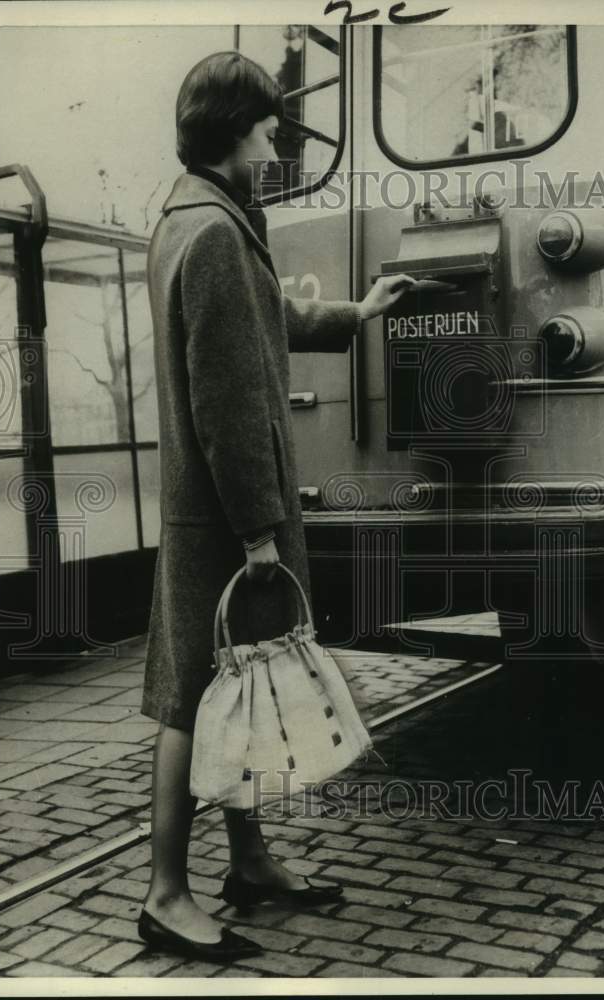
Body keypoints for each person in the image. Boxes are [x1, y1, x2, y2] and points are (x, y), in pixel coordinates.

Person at [137, 50, 412, 962]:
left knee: (237, 688)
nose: (278, 133)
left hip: (209, 511)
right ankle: (166, 895)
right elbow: (227, 401)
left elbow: (265, 321)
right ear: (232, 126)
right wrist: (260, 528)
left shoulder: (197, 219)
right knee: (193, 702)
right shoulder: (213, 232)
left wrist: (358, 310)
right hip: (226, 518)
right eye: (267, 119)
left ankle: (249, 864)